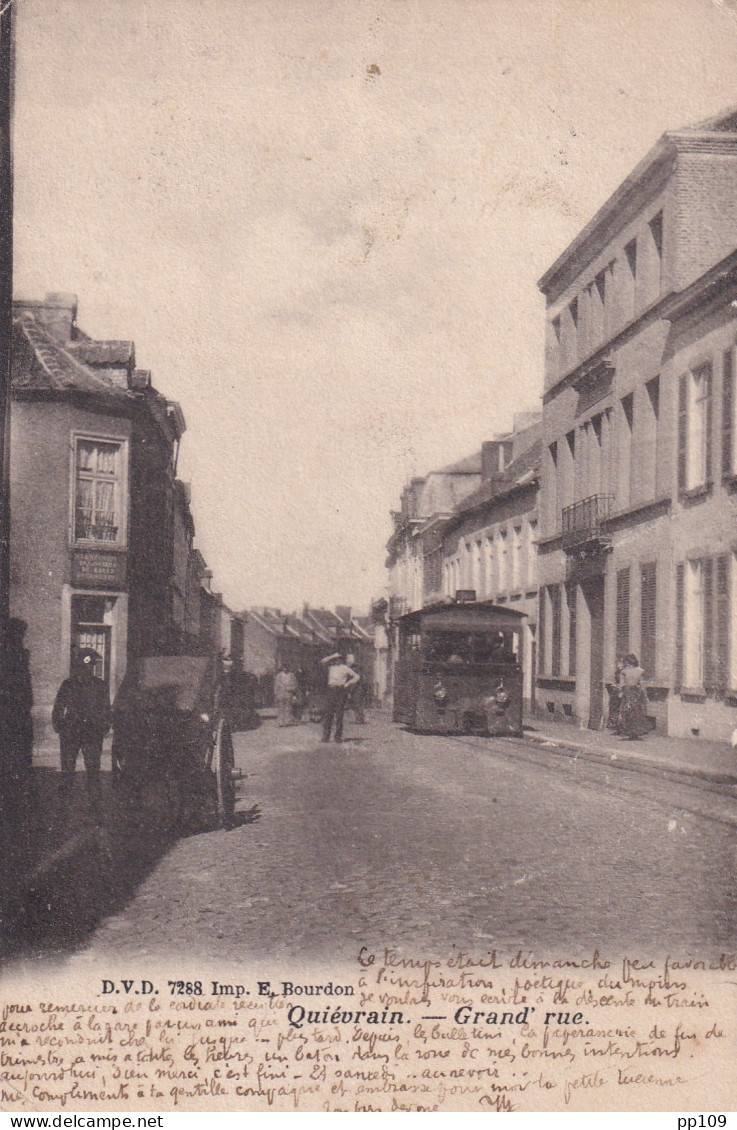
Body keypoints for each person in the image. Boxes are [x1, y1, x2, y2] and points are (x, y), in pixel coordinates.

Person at [52, 648, 112, 820]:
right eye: (84, 667)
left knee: (92, 772)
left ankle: (95, 809)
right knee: (68, 772)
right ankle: (63, 809)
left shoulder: (100, 685)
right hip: (71, 733)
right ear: (79, 666)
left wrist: (103, 728)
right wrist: (60, 727)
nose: (87, 670)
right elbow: (58, 709)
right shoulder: (68, 684)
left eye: (90, 667)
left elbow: (106, 710)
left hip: (91, 734)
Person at [320, 652, 359, 743]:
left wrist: (347, 684)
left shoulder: (345, 668)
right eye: (335, 659)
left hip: (340, 691)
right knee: (328, 714)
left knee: (339, 714)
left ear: (341, 660)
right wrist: (332, 656)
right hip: (331, 690)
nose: (337, 660)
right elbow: (322, 662)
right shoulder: (331, 667)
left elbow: (357, 676)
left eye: (339, 659)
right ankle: (326, 737)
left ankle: (337, 737)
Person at [617, 653, 649, 740]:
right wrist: (644, 694)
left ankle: (631, 732)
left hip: (629, 692)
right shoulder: (640, 671)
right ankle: (634, 732)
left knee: (628, 711)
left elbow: (622, 684)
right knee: (636, 712)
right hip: (636, 693)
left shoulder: (624, 671)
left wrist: (620, 692)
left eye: (626, 662)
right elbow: (642, 684)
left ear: (628, 662)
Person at [274, 663, 298, 727]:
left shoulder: (292, 675)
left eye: (286, 668)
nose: (285, 669)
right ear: (282, 668)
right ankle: (280, 722)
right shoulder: (279, 675)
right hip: (281, 693)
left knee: (288, 708)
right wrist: (276, 694)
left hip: (288, 693)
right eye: (284, 668)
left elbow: (295, 685)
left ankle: (288, 721)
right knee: (280, 708)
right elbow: (276, 685)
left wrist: (291, 690)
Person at [345, 653, 365, 724]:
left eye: (348, 659)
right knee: (357, 704)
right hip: (357, 688)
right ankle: (360, 718)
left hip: (356, 689)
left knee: (357, 704)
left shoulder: (354, 669)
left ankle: (360, 719)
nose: (347, 661)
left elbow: (354, 682)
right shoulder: (356, 668)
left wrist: (350, 692)